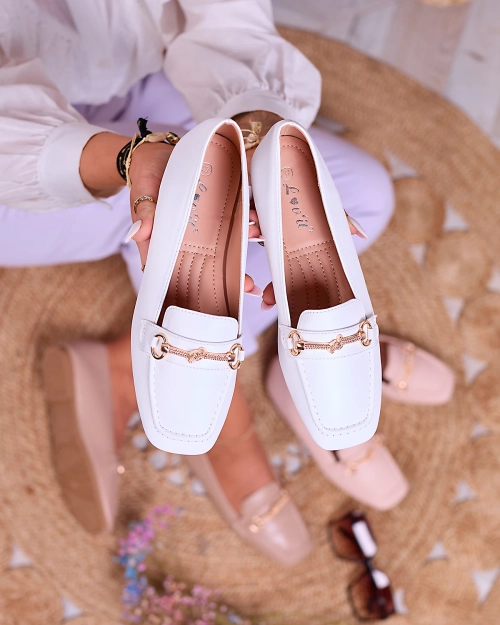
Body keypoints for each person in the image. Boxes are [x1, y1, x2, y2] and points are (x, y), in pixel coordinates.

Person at [0, 0, 454, 562]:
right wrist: (127, 159)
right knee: (159, 206)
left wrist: (255, 128)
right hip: (18, 161)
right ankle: (233, 425)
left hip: (130, 80)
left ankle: (158, 363)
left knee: (365, 193)